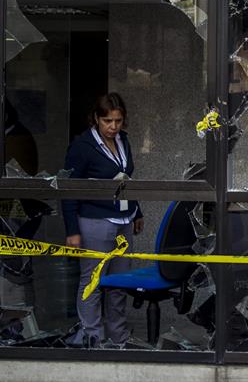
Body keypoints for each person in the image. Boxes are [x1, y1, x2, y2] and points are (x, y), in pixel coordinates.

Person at [62, 92, 143, 347]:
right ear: (96, 118)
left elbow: (125, 180)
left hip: (124, 219)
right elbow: (69, 189)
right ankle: (93, 336)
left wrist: (137, 211)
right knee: (92, 280)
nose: (113, 126)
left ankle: (118, 336)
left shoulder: (123, 140)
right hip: (94, 221)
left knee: (119, 282)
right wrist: (72, 230)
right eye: (107, 121)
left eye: (118, 120)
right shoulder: (82, 146)